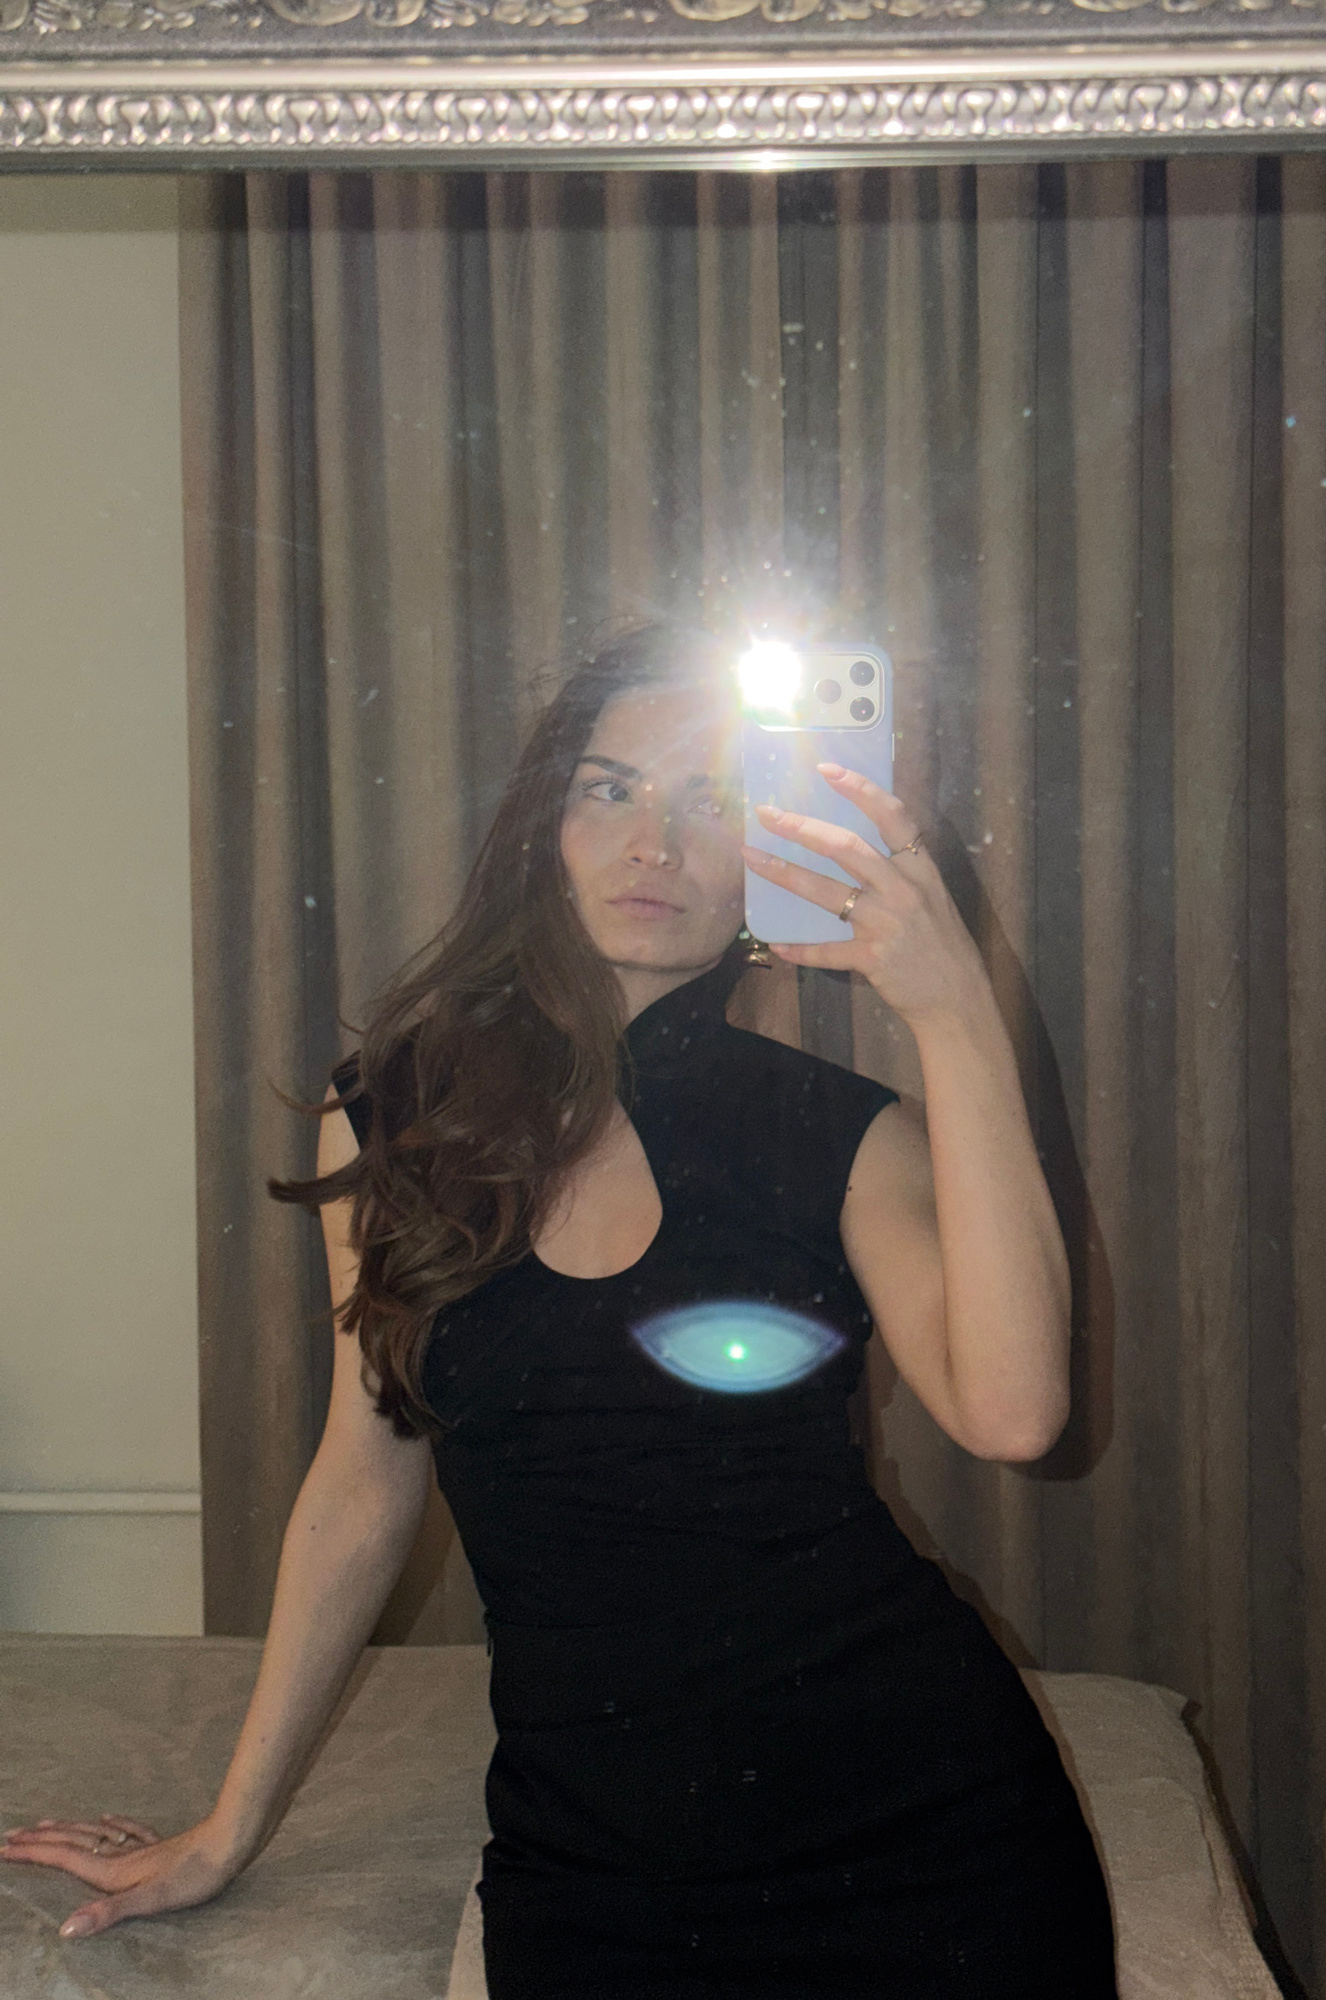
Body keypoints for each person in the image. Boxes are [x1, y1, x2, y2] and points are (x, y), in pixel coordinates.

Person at [1, 624, 1117, 1997]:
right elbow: (363, 1480)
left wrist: (956, 1017)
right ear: (548, 832)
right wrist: (229, 1830)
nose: (656, 842)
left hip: (926, 1826)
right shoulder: (400, 1116)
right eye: (611, 789)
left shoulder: (842, 1135)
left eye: (711, 799)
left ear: (771, 853)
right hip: (596, 1863)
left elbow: (1014, 1412)